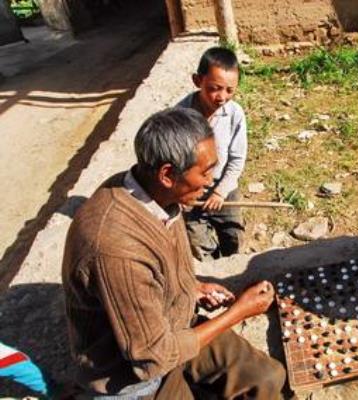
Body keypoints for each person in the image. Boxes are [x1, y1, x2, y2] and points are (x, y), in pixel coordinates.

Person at [62, 107, 285, 399]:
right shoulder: (117, 250)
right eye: (206, 172)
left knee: (268, 378)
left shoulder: (156, 192)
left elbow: (157, 269)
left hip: (175, 328)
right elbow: (153, 357)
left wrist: (192, 287)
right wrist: (237, 313)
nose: (211, 181)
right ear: (167, 174)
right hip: (134, 376)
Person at [177, 46, 247, 260]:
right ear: (197, 80)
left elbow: (236, 159)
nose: (222, 97)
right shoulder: (179, 117)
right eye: (215, 88)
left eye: (229, 90)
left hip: (224, 189)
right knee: (198, 243)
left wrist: (221, 191)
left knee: (234, 236)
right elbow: (174, 160)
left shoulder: (234, 114)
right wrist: (180, 193)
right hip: (192, 190)